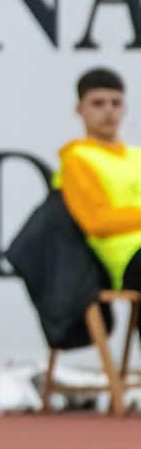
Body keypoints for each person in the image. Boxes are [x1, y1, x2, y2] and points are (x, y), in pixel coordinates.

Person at [56, 68, 141, 291]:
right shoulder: (77, 159)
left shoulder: (137, 157)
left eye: (115, 103)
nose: (108, 111)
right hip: (126, 259)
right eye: (98, 103)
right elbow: (98, 222)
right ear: (79, 109)